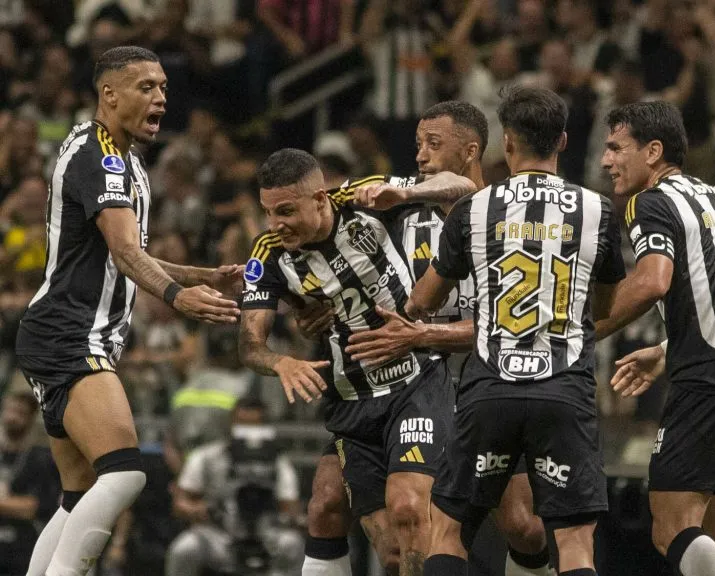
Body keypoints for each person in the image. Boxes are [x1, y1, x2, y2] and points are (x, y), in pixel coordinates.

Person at [14, 46, 242, 576]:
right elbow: (124, 252)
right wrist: (177, 296)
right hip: (71, 333)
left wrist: (200, 275)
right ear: (109, 94)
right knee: (125, 473)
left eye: (163, 87)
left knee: (79, 492)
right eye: (146, 87)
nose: (160, 97)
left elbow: (126, 254)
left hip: (62, 333)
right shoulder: (101, 158)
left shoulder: (125, 160)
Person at [406, 85, 625, 576]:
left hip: (490, 389)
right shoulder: (599, 210)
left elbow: (424, 300)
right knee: (574, 543)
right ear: (563, 140)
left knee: (448, 531)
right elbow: (605, 306)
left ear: (506, 142)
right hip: (565, 391)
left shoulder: (474, 209)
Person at [340, 100, 557, 576]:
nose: (420, 155)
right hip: (414, 390)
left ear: (470, 152)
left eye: (433, 144)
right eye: (418, 144)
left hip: (491, 384)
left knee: (522, 525)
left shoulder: (505, 218)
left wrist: (420, 335)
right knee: (404, 531)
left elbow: (504, 327)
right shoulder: (399, 210)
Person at [238, 147, 476, 576]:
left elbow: (464, 186)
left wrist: (405, 194)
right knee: (389, 551)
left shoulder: (363, 199)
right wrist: (281, 363)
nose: (275, 225)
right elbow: (250, 345)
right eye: (268, 212)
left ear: (320, 199)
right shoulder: (268, 254)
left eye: (286, 211)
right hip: (353, 400)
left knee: (409, 507)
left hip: (416, 381)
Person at [596, 101, 715, 576]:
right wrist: (667, 348)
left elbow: (652, 281)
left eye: (616, 148)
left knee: (671, 526)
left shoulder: (649, 202)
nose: (605, 160)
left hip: (709, 381)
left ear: (653, 152)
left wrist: (579, 332)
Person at [166, 396, 304, 576]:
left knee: (292, 544)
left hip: (267, 536)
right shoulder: (206, 457)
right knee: (185, 549)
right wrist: (203, 509)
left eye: (254, 426)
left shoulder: (278, 462)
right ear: (232, 423)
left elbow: (290, 507)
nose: (247, 432)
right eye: (242, 425)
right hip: (219, 535)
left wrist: (285, 516)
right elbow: (180, 503)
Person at [0, 392, 60, 576]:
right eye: (10, 410)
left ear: (31, 418)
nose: (12, 417)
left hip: (20, 551)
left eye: (20, 412)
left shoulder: (42, 460)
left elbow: (34, 507)